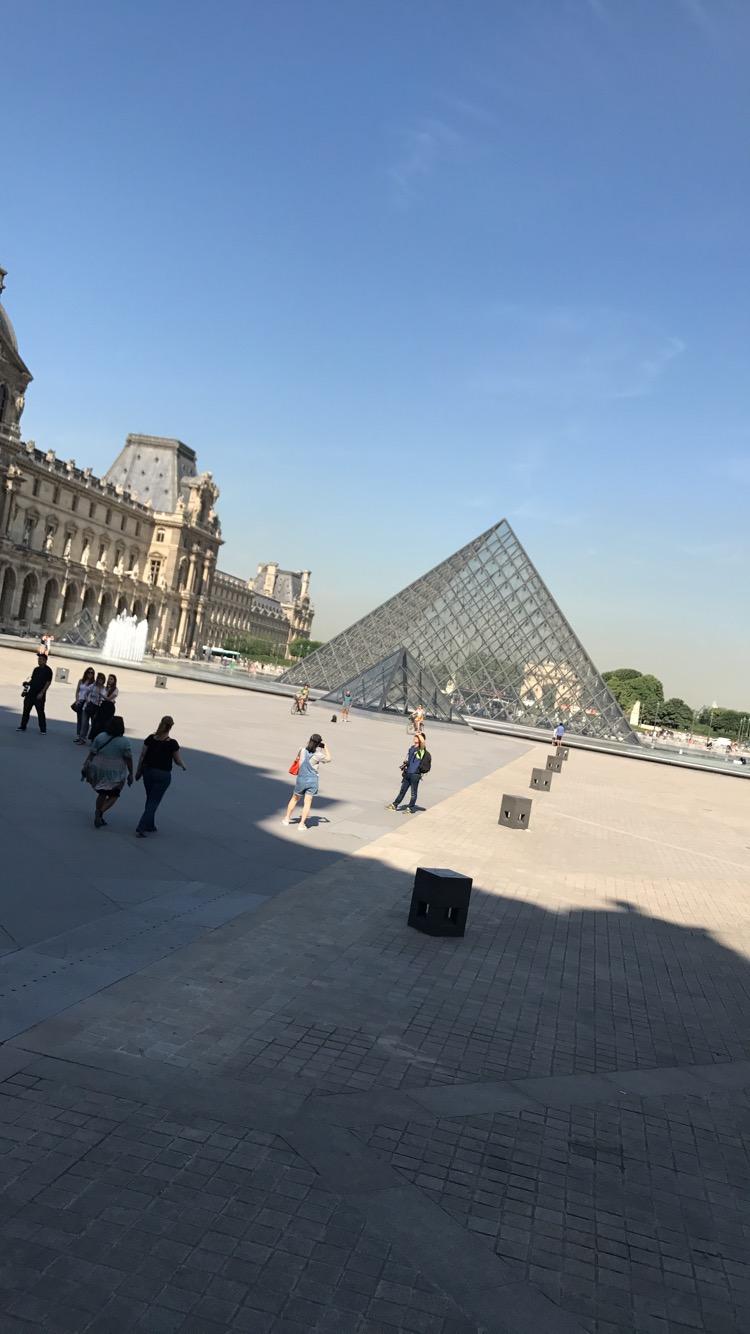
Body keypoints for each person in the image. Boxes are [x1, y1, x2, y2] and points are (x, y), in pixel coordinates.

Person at [134, 715, 187, 837]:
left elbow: (142, 756)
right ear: (171, 727)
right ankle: (142, 826)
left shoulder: (150, 738)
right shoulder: (172, 743)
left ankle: (150, 824)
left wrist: (138, 771)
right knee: (154, 801)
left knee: (150, 798)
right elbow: (177, 760)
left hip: (148, 772)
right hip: (163, 775)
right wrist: (183, 765)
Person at [82, 715, 133, 828]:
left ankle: (98, 812)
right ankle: (100, 812)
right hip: (115, 772)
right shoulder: (124, 742)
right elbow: (128, 759)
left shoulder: (100, 737)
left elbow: (92, 753)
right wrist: (131, 773)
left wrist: (86, 765)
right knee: (115, 794)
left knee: (102, 792)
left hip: (98, 768)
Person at [282, 732, 330, 831]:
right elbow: (329, 759)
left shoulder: (302, 750)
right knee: (307, 803)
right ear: (319, 743)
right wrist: (325, 747)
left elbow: (297, 759)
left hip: (301, 779)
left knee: (294, 799)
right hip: (312, 780)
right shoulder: (319, 755)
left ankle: (286, 819)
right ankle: (301, 824)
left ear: (309, 741)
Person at [387, 732, 431, 814]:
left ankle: (410, 809)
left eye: (416, 737)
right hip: (408, 773)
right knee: (402, 791)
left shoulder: (421, 751)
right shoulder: (412, 748)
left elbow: (423, 743)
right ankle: (394, 805)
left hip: (415, 774)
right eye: (415, 736)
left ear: (420, 739)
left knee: (413, 793)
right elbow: (410, 760)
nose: (414, 737)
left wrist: (419, 734)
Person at [18, 653, 53, 734]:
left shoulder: (48, 670)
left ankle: (43, 729)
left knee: (40, 712)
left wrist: (42, 692)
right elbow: (33, 680)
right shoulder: (36, 669)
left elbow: (48, 683)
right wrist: (27, 684)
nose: (39, 660)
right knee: (26, 710)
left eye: (40, 659)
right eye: (38, 659)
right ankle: (23, 726)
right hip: (30, 693)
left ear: (45, 660)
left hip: (39, 694)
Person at [73, 666, 95, 743]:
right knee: (79, 720)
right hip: (80, 701)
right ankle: (79, 735)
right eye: (89, 672)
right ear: (86, 673)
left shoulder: (93, 683)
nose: (90, 674)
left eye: (92, 673)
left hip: (86, 702)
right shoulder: (81, 681)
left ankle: (84, 737)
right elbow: (77, 691)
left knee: (85, 721)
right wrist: (77, 700)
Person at [85, 672, 106, 739]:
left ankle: (92, 737)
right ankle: (83, 736)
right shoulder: (93, 686)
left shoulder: (104, 688)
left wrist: (100, 694)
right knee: (85, 722)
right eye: (99, 679)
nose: (100, 681)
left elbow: (104, 698)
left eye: (101, 679)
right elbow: (86, 693)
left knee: (94, 723)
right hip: (91, 704)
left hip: (98, 707)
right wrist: (88, 701)